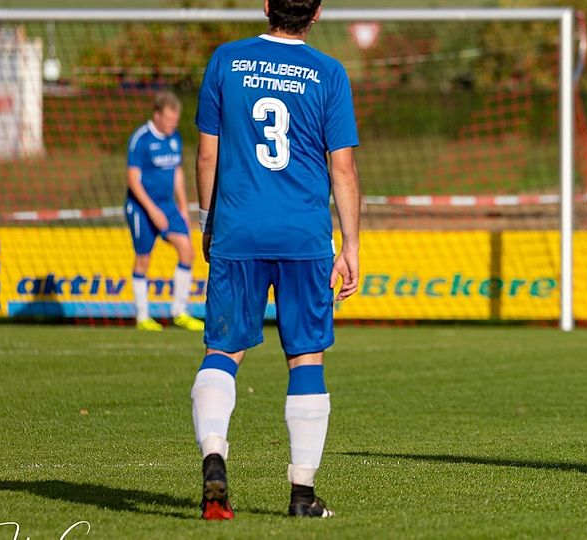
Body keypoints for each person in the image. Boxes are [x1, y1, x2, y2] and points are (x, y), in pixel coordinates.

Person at [191, 0, 360, 520]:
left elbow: (206, 154)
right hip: (303, 237)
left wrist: (208, 222)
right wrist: (351, 245)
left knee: (223, 351)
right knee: (306, 356)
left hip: (238, 229)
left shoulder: (226, 60)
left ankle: (214, 455)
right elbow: (343, 169)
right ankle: (302, 495)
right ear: (317, 13)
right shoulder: (329, 73)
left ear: (266, 5)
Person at [124, 91, 205, 332]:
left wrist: (183, 206)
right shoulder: (141, 139)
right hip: (141, 207)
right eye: (169, 120)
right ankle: (142, 317)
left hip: (167, 206)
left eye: (175, 120)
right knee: (143, 259)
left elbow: (177, 172)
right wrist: (152, 211)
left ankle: (179, 312)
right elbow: (133, 180)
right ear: (157, 115)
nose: (172, 125)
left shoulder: (174, 138)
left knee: (187, 251)